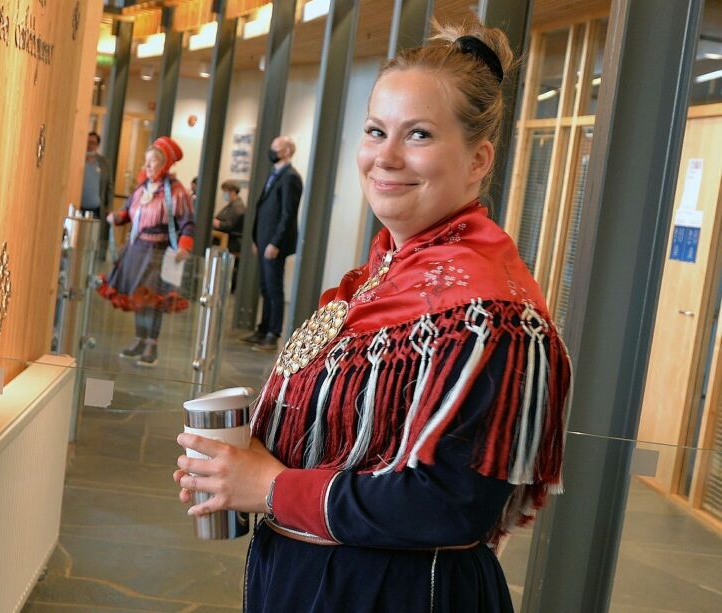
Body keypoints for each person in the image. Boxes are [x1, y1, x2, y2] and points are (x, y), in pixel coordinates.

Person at [174, 21, 573, 612]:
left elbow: (449, 504)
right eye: (375, 130)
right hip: (314, 581)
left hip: (398, 594)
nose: (385, 156)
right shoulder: (374, 280)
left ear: (477, 160)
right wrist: (239, 461)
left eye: (418, 135)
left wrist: (272, 486)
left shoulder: (489, 312)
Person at [98, 136, 194, 367]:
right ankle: (140, 340)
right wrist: (117, 217)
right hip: (136, 250)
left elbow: (188, 223)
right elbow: (128, 212)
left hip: (158, 253)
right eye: (146, 161)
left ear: (164, 164)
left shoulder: (176, 191)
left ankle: (152, 344)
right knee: (137, 298)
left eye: (152, 161)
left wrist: (184, 246)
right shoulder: (142, 188)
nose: (147, 166)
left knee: (154, 299)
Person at [240, 135, 303, 351]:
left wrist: (274, 242)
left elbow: (288, 214)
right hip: (264, 240)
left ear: (286, 151)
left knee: (274, 288)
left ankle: (272, 334)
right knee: (265, 287)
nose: (271, 150)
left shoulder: (290, 177)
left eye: (275, 147)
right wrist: (258, 239)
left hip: (275, 243)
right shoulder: (275, 174)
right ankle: (263, 328)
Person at [80, 131, 113, 256]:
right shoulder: (78, 159)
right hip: (79, 208)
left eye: (93, 143)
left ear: (97, 145)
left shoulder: (104, 163)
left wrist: (109, 207)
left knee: (91, 242)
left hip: (96, 210)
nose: (89, 145)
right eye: (88, 142)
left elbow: (110, 186)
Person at [213, 180, 246, 291]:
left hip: (233, 241)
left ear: (232, 192)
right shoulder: (230, 206)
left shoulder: (237, 207)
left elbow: (228, 225)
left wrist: (218, 223)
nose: (224, 194)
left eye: (225, 192)